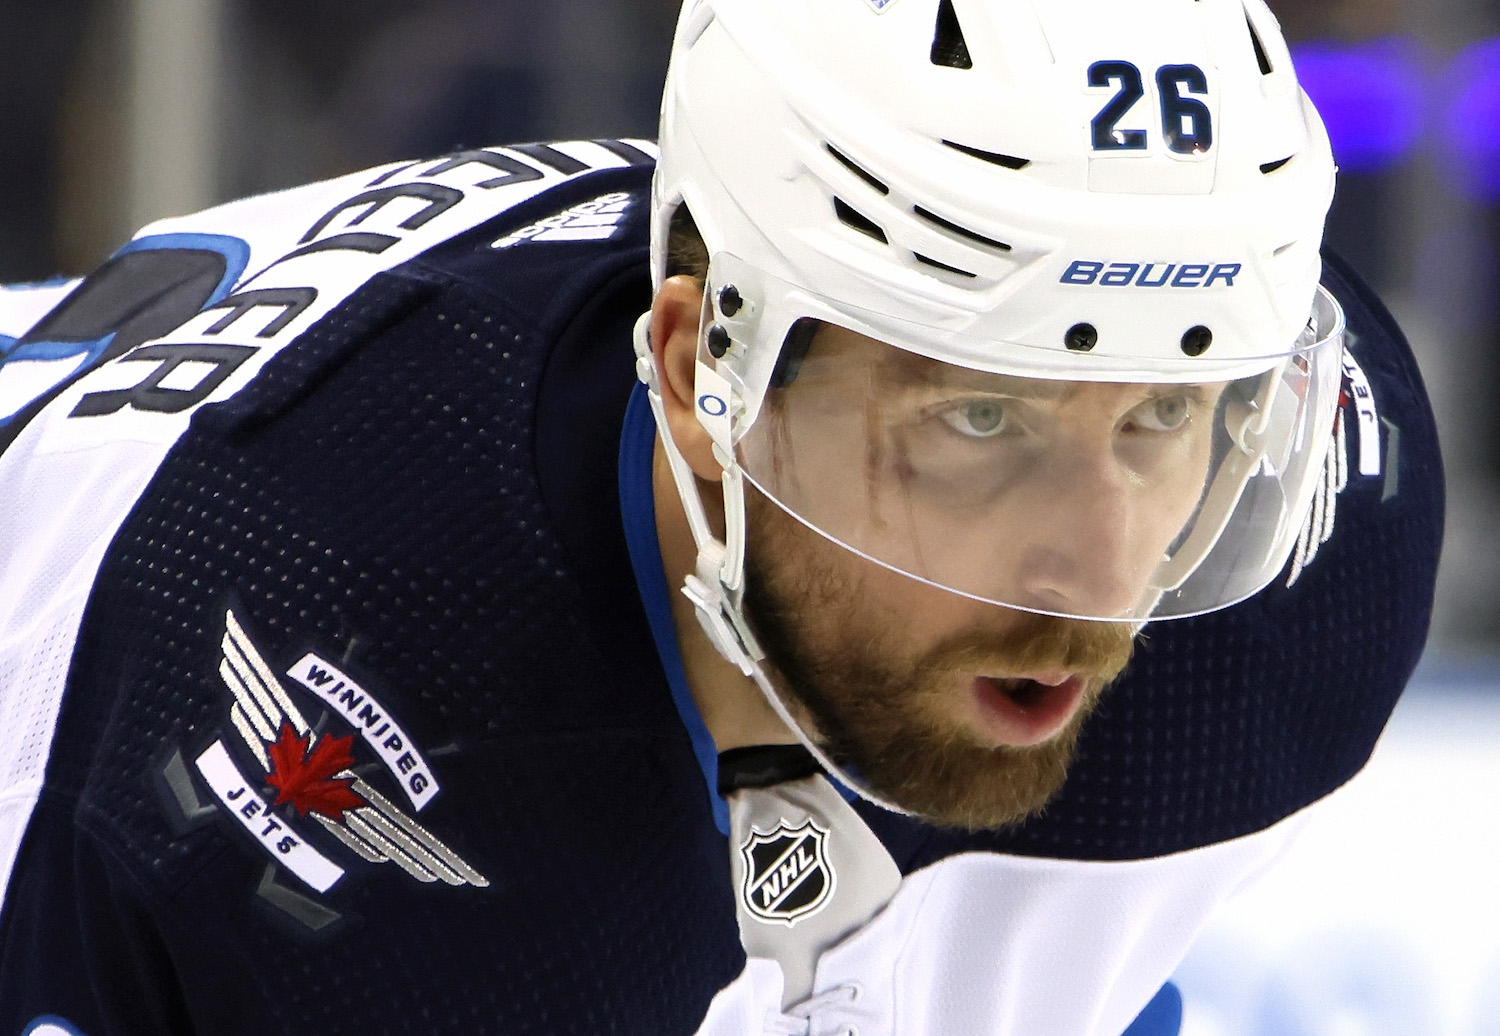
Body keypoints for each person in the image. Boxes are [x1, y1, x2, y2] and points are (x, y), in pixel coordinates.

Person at [0, 0, 1442, 1033]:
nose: (1100, 571)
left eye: (1159, 417)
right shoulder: (311, 712)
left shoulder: (1309, 576)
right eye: (980, 421)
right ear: (705, 371)